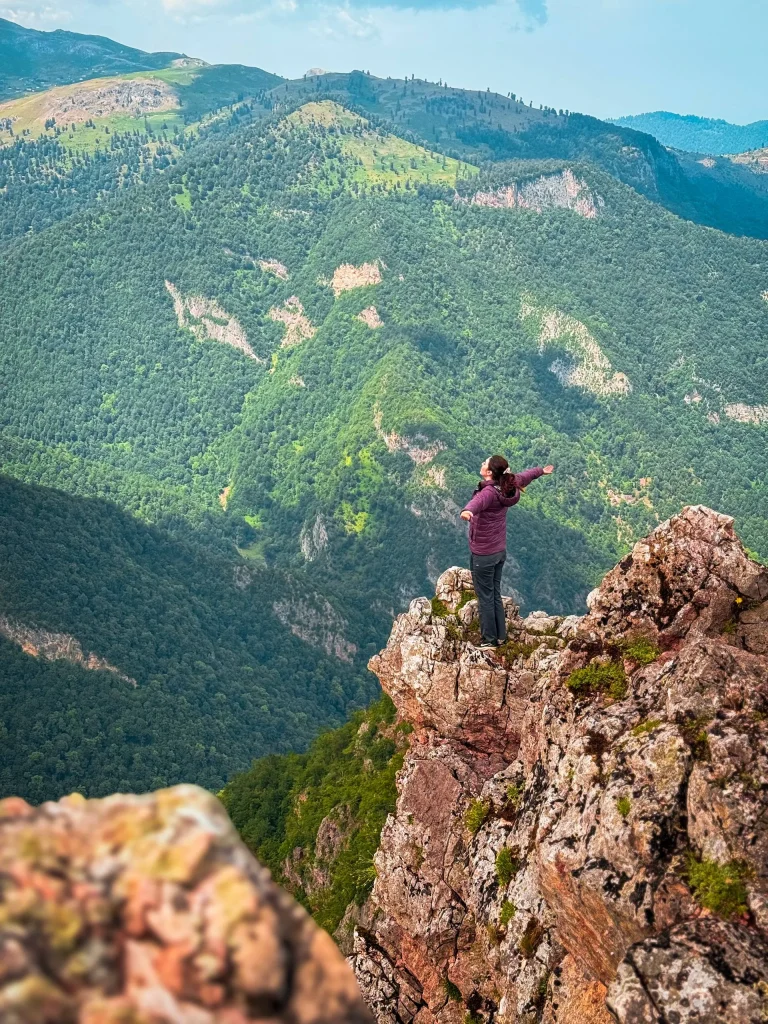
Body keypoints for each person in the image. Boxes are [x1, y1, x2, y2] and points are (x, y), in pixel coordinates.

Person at [460, 455, 554, 650]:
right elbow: (524, 477)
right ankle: (500, 636)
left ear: (489, 472)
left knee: (485, 596)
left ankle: (489, 640)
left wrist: (468, 511)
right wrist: (540, 471)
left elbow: (477, 503)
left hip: (483, 554)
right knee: (494, 594)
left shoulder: (488, 493)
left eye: (484, 463)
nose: (481, 463)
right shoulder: (507, 483)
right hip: (498, 552)